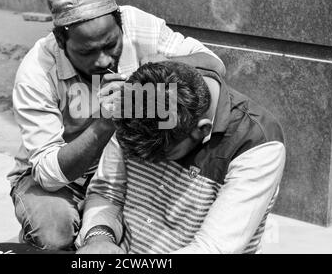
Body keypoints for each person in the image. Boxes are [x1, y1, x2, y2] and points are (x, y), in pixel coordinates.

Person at [7, 0, 226, 250]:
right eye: (86, 52)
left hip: (130, 165)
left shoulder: (139, 24)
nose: (102, 61)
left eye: (111, 45)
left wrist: (157, 70)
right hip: (62, 178)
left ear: (120, 23)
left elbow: (214, 64)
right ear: (61, 40)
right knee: (55, 233)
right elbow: (48, 175)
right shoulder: (35, 73)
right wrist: (103, 125)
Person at [76, 61, 286, 254]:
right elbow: (107, 191)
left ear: (201, 131)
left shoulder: (257, 143)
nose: (146, 163)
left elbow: (212, 248)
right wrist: (99, 239)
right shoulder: (137, 99)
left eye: (161, 157)